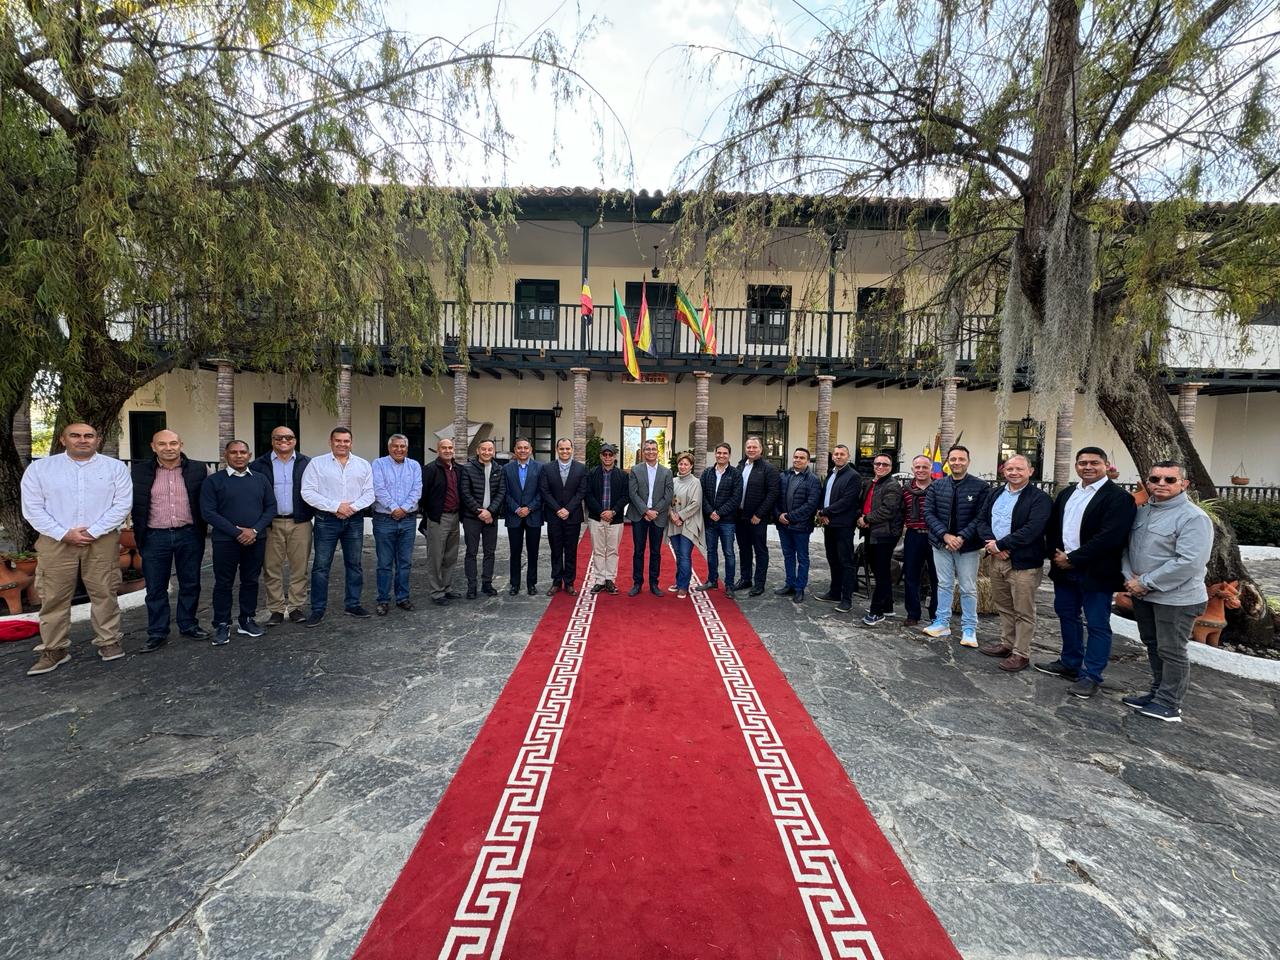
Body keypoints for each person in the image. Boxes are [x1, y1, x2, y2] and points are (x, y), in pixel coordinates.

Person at [21, 423, 132, 676]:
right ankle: (54, 648)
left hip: (101, 539)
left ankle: (109, 641)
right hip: (55, 539)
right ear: (63, 439)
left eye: (89, 436)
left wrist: (94, 531)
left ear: (97, 439)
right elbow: (32, 508)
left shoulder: (114, 468)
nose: (83, 440)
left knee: (104, 590)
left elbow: (122, 504)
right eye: (76, 435)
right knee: (54, 595)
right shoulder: (41, 469)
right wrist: (64, 533)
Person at [1037, 446, 1137, 698]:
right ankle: (1069, 662)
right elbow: (1053, 528)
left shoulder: (1118, 498)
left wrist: (1074, 558)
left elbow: (1111, 537)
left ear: (1106, 465)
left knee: (1097, 623)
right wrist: (1057, 556)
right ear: (1076, 466)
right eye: (1082, 463)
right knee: (1066, 615)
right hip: (1063, 569)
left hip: (1096, 572)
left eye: (1094, 462)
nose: (1088, 467)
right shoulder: (1067, 493)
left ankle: (1091, 674)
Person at [1121, 461, 1213, 722]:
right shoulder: (1143, 511)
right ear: (1148, 482)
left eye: (1169, 480)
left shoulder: (1193, 517)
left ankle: (1170, 704)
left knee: (1172, 650)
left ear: (1184, 484)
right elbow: (1128, 548)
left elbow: (1190, 561)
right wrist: (1130, 578)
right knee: (1153, 645)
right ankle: (1157, 692)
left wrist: (1146, 581)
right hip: (1143, 594)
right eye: (1156, 478)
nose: (1161, 484)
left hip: (1176, 599)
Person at [132, 429, 209, 652]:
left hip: (189, 534)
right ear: (153, 446)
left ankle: (188, 624)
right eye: (162, 444)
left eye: (173, 443)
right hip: (155, 536)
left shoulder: (199, 469)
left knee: (190, 583)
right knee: (156, 587)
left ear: (181, 444)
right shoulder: (139, 472)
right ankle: (157, 632)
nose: (169, 448)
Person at [975, 455, 1052, 671]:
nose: (1014, 472)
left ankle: (1021, 653)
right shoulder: (996, 493)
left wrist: (1001, 546)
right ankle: (1007, 643)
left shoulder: (1039, 499)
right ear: (1003, 471)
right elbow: (982, 520)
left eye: (1019, 468)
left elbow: (1033, 529)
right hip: (997, 559)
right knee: (1004, 606)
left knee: (1023, 610)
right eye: (1009, 469)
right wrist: (991, 544)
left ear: (1030, 471)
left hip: (1023, 563)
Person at [200, 440, 277, 644]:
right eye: (233, 452)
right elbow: (208, 512)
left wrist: (254, 530)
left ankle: (246, 620)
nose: (239, 455)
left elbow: (270, 508)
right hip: (225, 541)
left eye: (243, 452)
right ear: (226, 455)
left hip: (255, 539)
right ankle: (222, 624)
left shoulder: (260, 479)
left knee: (251, 581)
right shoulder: (214, 481)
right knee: (224, 582)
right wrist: (236, 532)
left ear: (249, 455)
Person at [301, 426, 374, 624]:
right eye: (338, 441)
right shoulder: (317, 464)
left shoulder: (362, 465)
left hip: (354, 520)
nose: (342, 444)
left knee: (354, 564)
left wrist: (352, 508)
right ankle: (317, 609)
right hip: (326, 521)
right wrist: (335, 506)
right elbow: (307, 491)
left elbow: (369, 493)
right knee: (321, 566)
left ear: (351, 442)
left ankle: (353, 604)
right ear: (330, 442)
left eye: (346, 441)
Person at [922, 444, 989, 646]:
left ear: (968, 461)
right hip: (941, 544)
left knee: (968, 588)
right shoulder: (937, 485)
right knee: (943, 584)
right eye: (953, 459)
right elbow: (928, 514)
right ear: (947, 462)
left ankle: (969, 628)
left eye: (961, 459)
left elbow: (981, 516)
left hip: (967, 547)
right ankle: (942, 622)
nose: (957, 462)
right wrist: (945, 536)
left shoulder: (980, 487)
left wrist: (961, 537)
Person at [250, 426, 313, 626]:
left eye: (288, 437)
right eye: (278, 437)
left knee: (299, 567)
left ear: (295, 440)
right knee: (271, 568)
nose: (283, 441)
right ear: (272, 441)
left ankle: (295, 607)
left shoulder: (307, 463)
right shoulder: (259, 464)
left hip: (300, 521)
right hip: (270, 523)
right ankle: (276, 609)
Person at [371, 433, 423, 616]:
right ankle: (383, 600)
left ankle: (402, 597)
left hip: (408, 520)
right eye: (395, 446)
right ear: (389, 447)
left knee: (405, 562)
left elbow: (417, 490)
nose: (399, 449)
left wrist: (405, 508)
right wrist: (394, 508)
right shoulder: (378, 464)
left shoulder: (414, 466)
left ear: (407, 448)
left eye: (402, 446)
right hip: (384, 519)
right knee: (384, 563)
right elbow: (378, 489)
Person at [815, 443, 862, 613]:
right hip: (829, 524)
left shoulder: (853, 476)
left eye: (842, 454)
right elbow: (823, 495)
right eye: (836, 454)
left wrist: (825, 511)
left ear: (848, 457)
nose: (838, 456)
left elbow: (847, 501)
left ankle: (846, 598)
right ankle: (834, 592)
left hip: (843, 525)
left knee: (845, 562)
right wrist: (821, 512)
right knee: (832, 559)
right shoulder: (831, 473)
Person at [858, 453, 904, 625]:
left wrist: (866, 519)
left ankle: (877, 611)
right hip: (873, 532)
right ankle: (888, 606)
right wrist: (861, 517)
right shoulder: (871, 483)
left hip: (886, 534)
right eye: (877, 464)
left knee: (882, 571)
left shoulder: (892, 485)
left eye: (885, 464)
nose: (880, 467)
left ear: (890, 468)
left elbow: (888, 510)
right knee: (877, 570)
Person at [419, 438, 463, 606]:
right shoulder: (430, 469)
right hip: (438, 518)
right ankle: (437, 592)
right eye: (444, 448)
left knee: (450, 555)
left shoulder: (457, 469)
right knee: (436, 556)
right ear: (438, 450)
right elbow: (423, 495)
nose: (447, 450)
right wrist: (428, 514)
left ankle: (447, 587)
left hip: (455, 517)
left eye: (450, 448)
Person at [627, 438, 674, 596]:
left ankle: (654, 583)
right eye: (647, 449)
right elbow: (632, 493)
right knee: (638, 551)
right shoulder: (635, 470)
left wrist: (654, 511)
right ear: (643, 451)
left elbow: (668, 496)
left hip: (658, 517)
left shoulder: (667, 472)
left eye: (654, 449)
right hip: (639, 516)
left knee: (655, 552)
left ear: (658, 451)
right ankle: (637, 583)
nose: (651, 452)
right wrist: (646, 511)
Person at [459, 438, 505, 599]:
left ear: (493, 452)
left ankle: (487, 584)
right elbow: (465, 492)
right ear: (478, 451)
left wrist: (490, 512)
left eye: (490, 450)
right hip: (472, 517)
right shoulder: (467, 468)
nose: (486, 452)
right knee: (471, 552)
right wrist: (480, 512)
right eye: (483, 449)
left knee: (489, 552)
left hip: (491, 518)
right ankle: (472, 586)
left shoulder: (499, 469)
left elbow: (501, 492)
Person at [734, 436, 780, 596]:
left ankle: (759, 583)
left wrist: (759, 514)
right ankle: (745, 579)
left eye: (754, 447)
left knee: (760, 550)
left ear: (761, 449)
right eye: (749, 447)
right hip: (740, 516)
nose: (751, 450)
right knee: (744, 548)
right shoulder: (740, 466)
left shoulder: (769, 469)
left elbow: (773, 493)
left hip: (757, 518)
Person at [541, 437, 586, 596]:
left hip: (573, 516)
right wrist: (558, 509)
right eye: (562, 449)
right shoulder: (547, 468)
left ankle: (569, 582)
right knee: (556, 550)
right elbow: (545, 491)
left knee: (571, 550)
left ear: (572, 450)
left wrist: (568, 509)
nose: (565, 451)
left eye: (568, 449)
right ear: (557, 450)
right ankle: (556, 581)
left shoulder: (581, 469)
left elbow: (581, 492)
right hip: (554, 516)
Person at [775, 447, 821, 604]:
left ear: (807, 461)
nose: (797, 460)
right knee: (788, 556)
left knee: (802, 557)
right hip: (783, 525)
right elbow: (775, 498)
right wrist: (779, 515)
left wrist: (789, 516)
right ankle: (790, 584)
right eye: (795, 457)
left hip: (801, 526)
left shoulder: (813, 479)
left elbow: (811, 504)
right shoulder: (783, 476)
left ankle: (800, 588)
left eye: (802, 458)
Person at [697, 442, 741, 597]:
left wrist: (719, 513)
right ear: (715, 454)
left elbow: (736, 498)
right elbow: (701, 495)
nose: (721, 455)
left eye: (725, 453)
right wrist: (710, 512)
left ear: (729, 455)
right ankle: (712, 580)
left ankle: (729, 585)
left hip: (727, 521)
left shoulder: (735, 474)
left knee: (729, 552)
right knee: (711, 551)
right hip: (710, 520)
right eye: (719, 453)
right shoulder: (707, 473)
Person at [585, 442, 628, 594]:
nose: (608, 457)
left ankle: (610, 579)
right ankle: (599, 580)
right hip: (596, 518)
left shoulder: (622, 475)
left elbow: (625, 496)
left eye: (610, 454)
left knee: (612, 550)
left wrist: (613, 511)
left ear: (614, 456)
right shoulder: (591, 473)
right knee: (598, 550)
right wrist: (601, 511)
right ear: (601, 456)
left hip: (615, 520)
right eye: (605, 454)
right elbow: (587, 494)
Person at [503, 437, 543, 595]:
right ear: (515, 449)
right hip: (514, 516)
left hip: (533, 516)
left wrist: (529, 508)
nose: (523, 450)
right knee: (515, 552)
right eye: (519, 448)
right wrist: (517, 508)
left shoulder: (540, 468)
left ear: (531, 449)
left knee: (533, 552)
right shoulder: (506, 469)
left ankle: (531, 584)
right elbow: (504, 492)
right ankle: (515, 584)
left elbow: (542, 492)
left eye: (526, 448)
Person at [901, 454, 938, 626]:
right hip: (914, 536)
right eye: (918, 467)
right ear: (912, 469)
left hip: (935, 537)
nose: (921, 470)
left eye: (925, 467)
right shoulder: (906, 490)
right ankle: (913, 614)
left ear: (931, 468)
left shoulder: (939, 489)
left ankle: (936, 614)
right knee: (911, 576)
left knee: (936, 578)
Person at [667, 451, 706, 599]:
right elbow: (667, 500)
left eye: (686, 464)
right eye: (681, 464)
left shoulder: (695, 482)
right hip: (674, 522)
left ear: (691, 466)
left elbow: (696, 504)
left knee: (684, 555)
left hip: (688, 523)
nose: (683, 466)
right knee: (678, 554)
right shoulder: (673, 481)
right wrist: (672, 515)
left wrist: (680, 516)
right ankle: (679, 581)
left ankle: (683, 586)